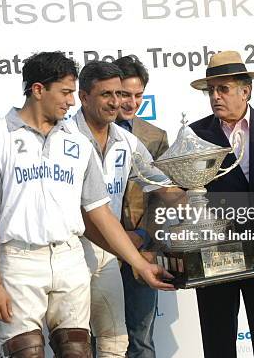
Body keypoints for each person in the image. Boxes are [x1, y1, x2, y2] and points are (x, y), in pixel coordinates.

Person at [0, 52, 173, 358]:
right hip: (19, 260)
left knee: (78, 350)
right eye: (64, 93)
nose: (70, 102)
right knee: (26, 352)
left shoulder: (77, 141)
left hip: (71, 256)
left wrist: (140, 263)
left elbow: (99, 213)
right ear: (38, 90)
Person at [188, 50, 254, 358]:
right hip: (216, 254)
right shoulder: (194, 134)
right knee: (218, 343)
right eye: (211, 91)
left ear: (246, 90)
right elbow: (187, 195)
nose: (216, 97)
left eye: (223, 89)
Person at [68, 61, 172, 357]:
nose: (117, 102)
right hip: (71, 250)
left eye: (121, 94)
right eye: (108, 95)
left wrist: (196, 188)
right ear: (84, 96)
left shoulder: (130, 141)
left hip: (118, 251)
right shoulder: (63, 137)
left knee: (117, 341)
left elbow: (163, 188)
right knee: (76, 343)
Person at [112, 56, 169, 358]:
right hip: (98, 250)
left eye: (138, 95)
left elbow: (163, 196)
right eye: (123, 94)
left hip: (142, 247)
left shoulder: (154, 137)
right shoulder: (86, 133)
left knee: (141, 338)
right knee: (101, 338)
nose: (131, 102)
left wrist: (146, 235)